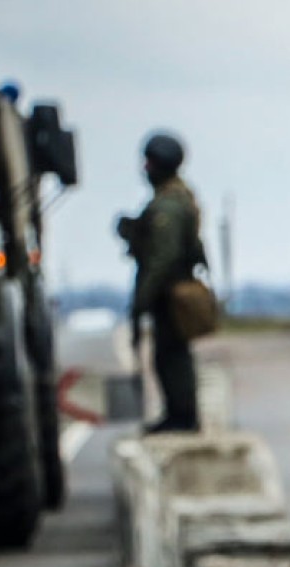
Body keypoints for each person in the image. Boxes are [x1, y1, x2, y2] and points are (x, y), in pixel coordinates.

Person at [117, 131, 203, 433]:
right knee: (168, 354)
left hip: (169, 291)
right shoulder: (175, 197)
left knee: (171, 355)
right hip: (170, 288)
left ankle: (182, 416)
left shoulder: (168, 205)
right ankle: (179, 415)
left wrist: (143, 297)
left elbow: (162, 257)